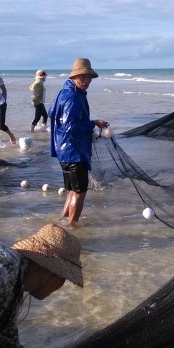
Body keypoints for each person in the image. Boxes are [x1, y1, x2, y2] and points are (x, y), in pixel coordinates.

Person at [49, 58, 109, 227]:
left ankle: (63, 220)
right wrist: (93, 123)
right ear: (74, 77)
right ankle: (73, 227)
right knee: (80, 192)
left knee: (72, 190)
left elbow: (50, 112)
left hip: (63, 150)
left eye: (89, 77)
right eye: (83, 77)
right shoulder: (73, 97)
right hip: (74, 151)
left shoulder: (63, 92)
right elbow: (70, 126)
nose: (87, 81)